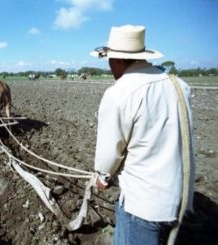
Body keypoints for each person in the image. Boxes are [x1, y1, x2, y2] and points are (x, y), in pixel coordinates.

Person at [89, 25, 196, 245]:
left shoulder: (120, 93)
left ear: (117, 61)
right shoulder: (179, 85)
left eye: (109, 61)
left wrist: (102, 177)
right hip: (180, 199)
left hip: (143, 205)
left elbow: (110, 151)